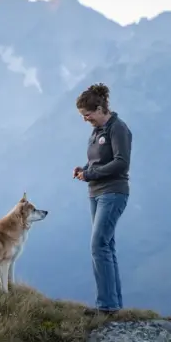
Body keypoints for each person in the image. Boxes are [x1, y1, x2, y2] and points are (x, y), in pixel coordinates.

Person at [73, 82, 131, 315]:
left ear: (99, 109)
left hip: (113, 192)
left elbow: (121, 162)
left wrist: (91, 173)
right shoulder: (96, 132)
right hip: (96, 193)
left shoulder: (118, 128)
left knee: (98, 245)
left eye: (87, 116)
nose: (86, 120)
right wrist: (84, 169)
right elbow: (97, 161)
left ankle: (106, 306)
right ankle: (114, 305)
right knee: (107, 246)